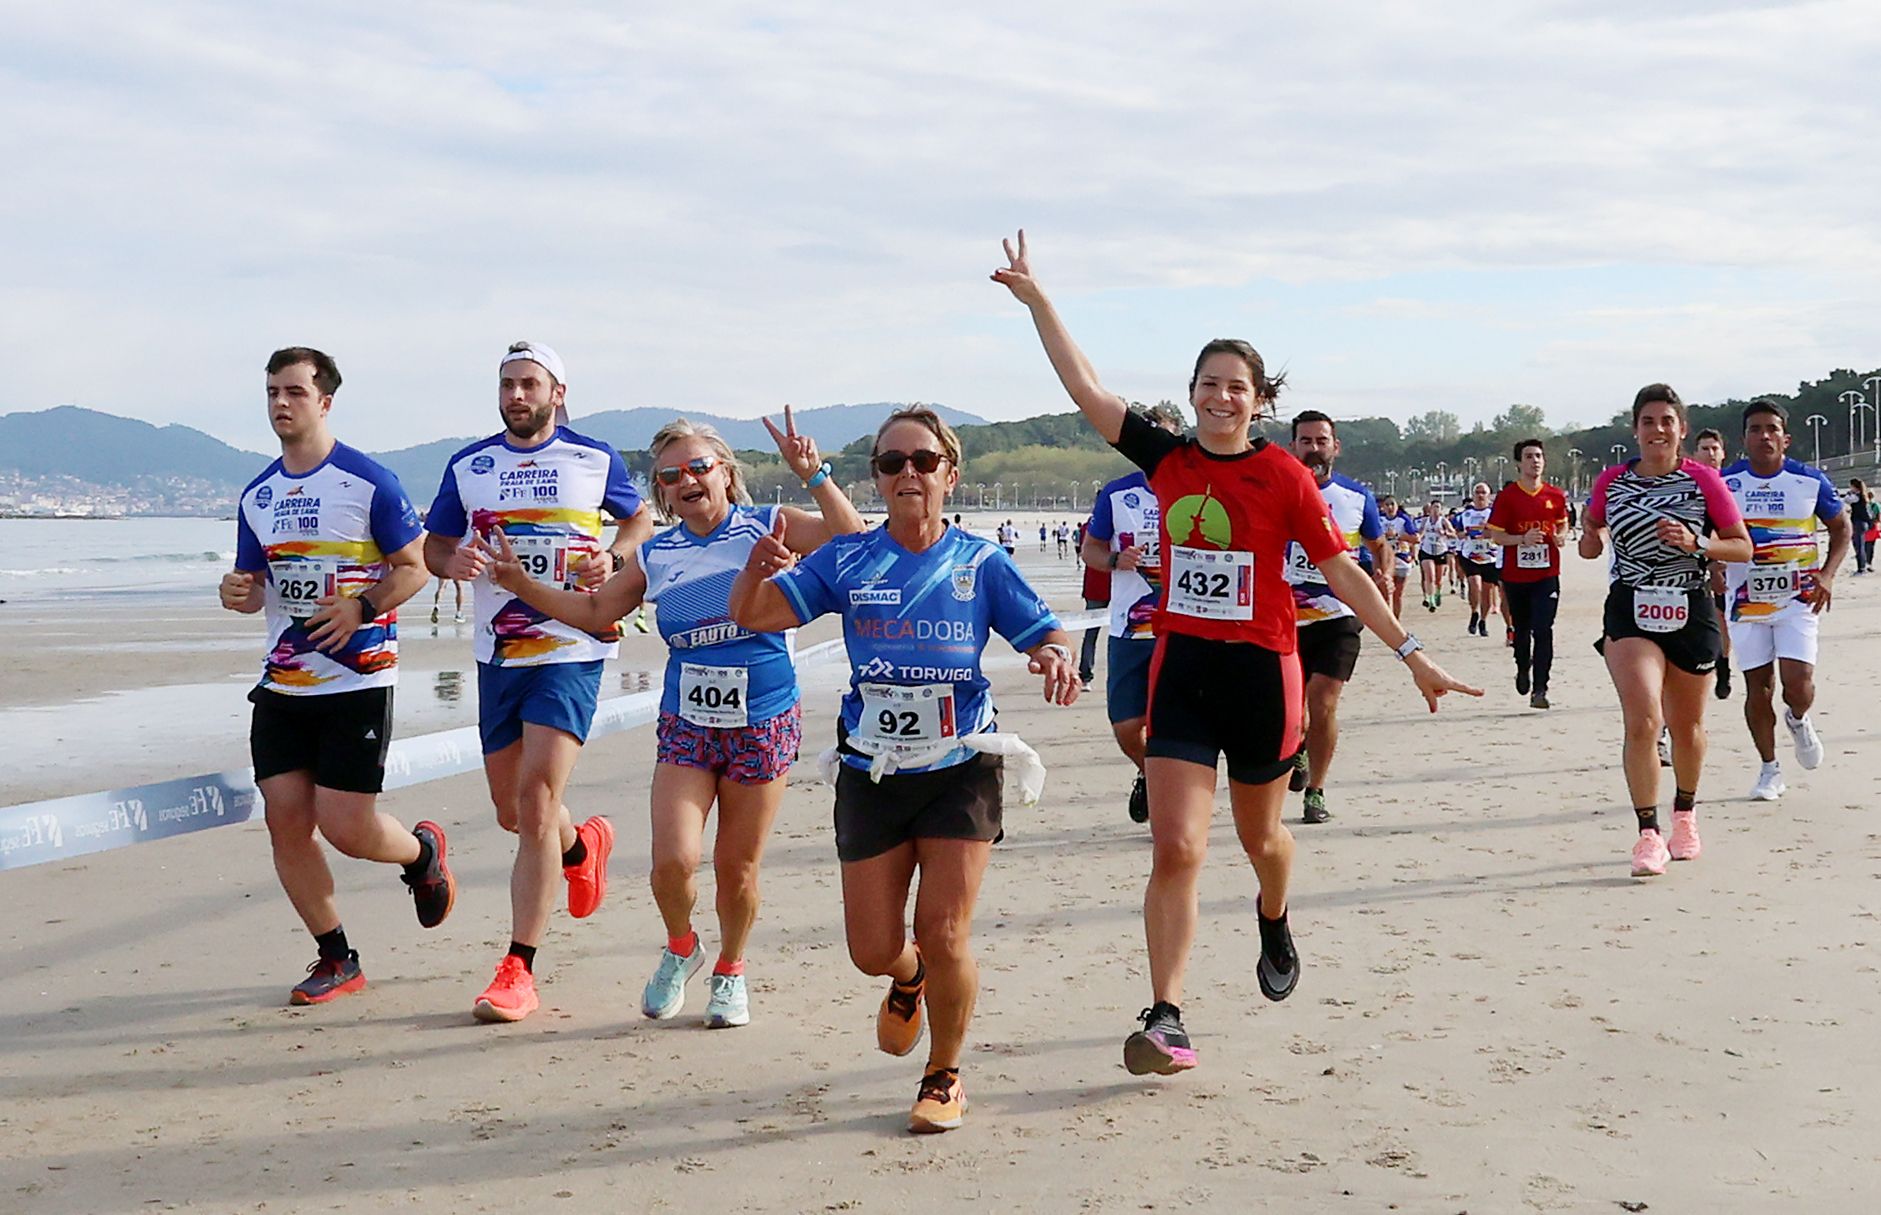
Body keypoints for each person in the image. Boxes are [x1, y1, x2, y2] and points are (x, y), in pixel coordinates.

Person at [992, 229, 1478, 1077]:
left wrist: (1412, 652)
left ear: (1260, 400)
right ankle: (1167, 1013)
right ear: (1191, 394)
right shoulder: (1165, 457)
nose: (1222, 397)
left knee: (1263, 840)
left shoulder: (1287, 477)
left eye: (1237, 387)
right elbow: (1084, 387)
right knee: (1177, 848)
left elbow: (1342, 573)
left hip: (1263, 675)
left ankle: (1273, 911)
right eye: (1209, 385)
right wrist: (1040, 302)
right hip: (1185, 671)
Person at [729, 405, 1080, 1134]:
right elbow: (757, 616)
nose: (908, 473)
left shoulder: (979, 562)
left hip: (960, 765)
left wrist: (1052, 652)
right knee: (871, 948)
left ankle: (944, 1070)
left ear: (950, 474)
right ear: (877, 479)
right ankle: (906, 976)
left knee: (946, 929)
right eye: (892, 463)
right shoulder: (849, 556)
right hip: (873, 771)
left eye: (922, 460)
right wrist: (754, 570)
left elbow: (1041, 629)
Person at [484, 408, 863, 1027]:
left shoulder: (767, 525)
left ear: (725, 473)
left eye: (698, 467)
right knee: (672, 862)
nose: (686, 481)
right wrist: (519, 583)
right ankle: (683, 946)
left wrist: (813, 473)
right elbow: (596, 610)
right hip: (686, 723)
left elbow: (854, 541)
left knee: (738, 868)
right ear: (660, 492)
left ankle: (732, 970)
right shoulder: (659, 553)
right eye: (669, 476)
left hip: (763, 720)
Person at [424, 341, 654, 1022]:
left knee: (535, 795)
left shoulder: (592, 457)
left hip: (571, 643)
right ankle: (583, 844)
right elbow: (435, 545)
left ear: (558, 392)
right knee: (514, 812)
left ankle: (518, 967)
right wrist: (453, 557)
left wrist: (612, 556)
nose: (516, 395)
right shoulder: (469, 466)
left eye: (529, 384)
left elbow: (639, 517)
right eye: (506, 384)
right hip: (499, 653)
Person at [222, 347, 454, 1006]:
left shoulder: (367, 482)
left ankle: (420, 854)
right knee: (286, 822)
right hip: (283, 687)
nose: (279, 403)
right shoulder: (259, 495)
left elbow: (413, 567)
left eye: (294, 391)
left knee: (347, 828)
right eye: (271, 391)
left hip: (356, 682)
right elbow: (252, 587)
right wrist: (235, 590)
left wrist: (361, 606)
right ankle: (336, 955)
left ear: (324, 401)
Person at [1580, 384, 1751, 877]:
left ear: (1682, 430)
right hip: (1631, 605)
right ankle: (1648, 835)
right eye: (1648, 421)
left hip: (1689, 605)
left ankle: (1685, 814)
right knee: (1642, 720)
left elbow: (1742, 548)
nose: (1658, 430)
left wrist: (1698, 543)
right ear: (1635, 430)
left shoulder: (1704, 482)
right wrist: (1591, 534)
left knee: (1688, 727)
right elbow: (1591, 546)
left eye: (1667, 421)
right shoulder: (1611, 483)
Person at [1719, 401, 1850, 801]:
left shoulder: (1809, 481)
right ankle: (1769, 769)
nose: (1764, 436)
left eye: (1771, 429)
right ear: (1744, 439)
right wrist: (1712, 567)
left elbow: (1842, 528)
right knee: (1757, 688)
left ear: (1785, 438)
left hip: (1798, 598)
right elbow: (1704, 531)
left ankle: (1798, 718)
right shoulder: (1726, 482)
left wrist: (1827, 575)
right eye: (1755, 429)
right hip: (1746, 602)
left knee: (1798, 684)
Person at [1283, 410, 1391, 824]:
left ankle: (1316, 791)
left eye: (1321, 441)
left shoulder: (1355, 496)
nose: (1314, 449)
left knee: (1323, 702)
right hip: (1284, 618)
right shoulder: (1279, 490)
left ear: (1335, 447)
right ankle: (1296, 750)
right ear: (1294, 446)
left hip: (1338, 616)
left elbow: (1379, 542)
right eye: (1306, 441)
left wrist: (1382, 568)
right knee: (1294, 712)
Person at [1085, 402, 1185, 824]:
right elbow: (1090, 549)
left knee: (1172, 726)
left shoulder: (1193, 488)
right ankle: (1149, 773)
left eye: (1161, 436)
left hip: (1182, 628)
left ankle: (1171, 799)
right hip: (1130, 628)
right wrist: (1114, 560)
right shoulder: (1118, 493)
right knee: (1127, 725)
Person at [1487, 439, 1569, 709]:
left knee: (1544, 629)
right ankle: (1523, 667)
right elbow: (1496, 536)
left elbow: (1562, 522)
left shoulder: (1555, 495)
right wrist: (1522, 539)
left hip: (1547, 574)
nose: (1535, 461)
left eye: (1538, 456)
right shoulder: (1508, 496)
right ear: (1518, 463)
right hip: (1516, 576)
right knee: (1522, 630)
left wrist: (1559, 536)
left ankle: (1540, 688)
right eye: (1529, 456)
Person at [1693, 428, 1735, 698]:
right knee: (1715, 617)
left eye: (1714, 449)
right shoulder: (1691, 487)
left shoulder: (1733, 484)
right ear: (1695, 454)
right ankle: (1715, 664)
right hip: (1702, 562)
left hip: (1733, 559)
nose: (1710, 454)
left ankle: (1724, 664)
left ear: (1723, 453)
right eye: (1705, 449)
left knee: (1726, 619)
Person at [1456, 482, 1503, 638]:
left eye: (1483, 492)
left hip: (1490, 556)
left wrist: (1487, 530)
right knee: (1474, 584)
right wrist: (1466, 533)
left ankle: (1483, 620)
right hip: (1471, 555)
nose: (1480, 495)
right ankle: (1474, 612)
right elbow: (1457, 533)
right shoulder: (1465, 514)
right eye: (1477, 492)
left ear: (1489, 496)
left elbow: (1500, 532)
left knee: (1487, 591)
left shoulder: (1495, 513)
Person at [1075, 519, 1109, 687]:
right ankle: (1086, 674)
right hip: (1111, 585)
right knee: (1120, 632)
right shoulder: (1119, 518)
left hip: (1096, 585)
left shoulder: (1089, 526)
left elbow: (1084, 552)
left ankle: (1086, 675)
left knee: (1091, 634)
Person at [1411, 499, 1455, 611]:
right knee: (1430, 576)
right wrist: (1418, 538)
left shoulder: (1443, 521)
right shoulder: (1425, 521)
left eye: (1438, 507)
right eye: (1434, 507)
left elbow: (1453, 534)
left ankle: (1438, 593)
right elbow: (1420, 532)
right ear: (1430, 509)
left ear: (1441, 510)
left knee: (1438, 580)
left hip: (1440, 551)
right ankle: (1431, 601)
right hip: (1427, 551)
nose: (1435, 510)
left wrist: (1445, 533)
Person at [1377, 494, 1414, 619]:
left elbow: (1416, 538)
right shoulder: (1379, 519)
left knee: (1397, 594)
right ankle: (1388, 622)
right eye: (1387, 505)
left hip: (1401, 558)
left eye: (1392, 504)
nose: (1390, 507)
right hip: (1385, 559)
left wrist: (1397, 535)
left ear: (1397, 506)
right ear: (1383, 507)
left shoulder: (1404, 519)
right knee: (1385, 593)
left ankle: (1396, 621)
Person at [1849, 479, 1874, 575]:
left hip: (1858, 523)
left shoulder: (1856, 497)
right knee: (1860, 545)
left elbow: (1846, 500)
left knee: (1859, 546)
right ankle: (1864, 565)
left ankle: (1861, 568)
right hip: (1863, 523)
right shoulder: (1864, 496)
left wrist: (1850, 493)